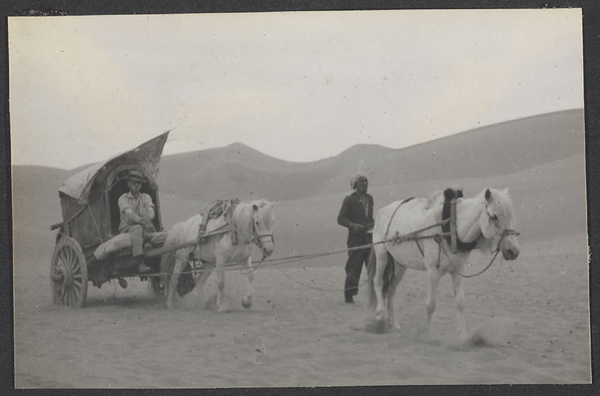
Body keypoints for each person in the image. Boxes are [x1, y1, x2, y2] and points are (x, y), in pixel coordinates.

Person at [337, 173, 375, 303]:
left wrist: (372, 223)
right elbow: (341, 219)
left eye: (366, 181)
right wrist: (353, 225)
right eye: (362, 181)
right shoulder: (349, 199)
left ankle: (373, 295)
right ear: (355, 184)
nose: (365, 183)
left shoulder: (370, 198)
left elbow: (370, 218)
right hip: (355, 240)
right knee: (354, 267)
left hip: (370, 238)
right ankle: (349, 296)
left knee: (372, 267)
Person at [118, 170, 156, 273]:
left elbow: (151, 211)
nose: (137, 185)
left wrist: (148, 219)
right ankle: (140, 263)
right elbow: (129, 215)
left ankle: (148, 245)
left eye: (139, 183)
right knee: (138, 228)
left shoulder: (146, 197)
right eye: (134, 183)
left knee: (149, 226)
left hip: (144, 225)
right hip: (127, 227)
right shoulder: (123, 199)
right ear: (129, 184)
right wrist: (142, 221)